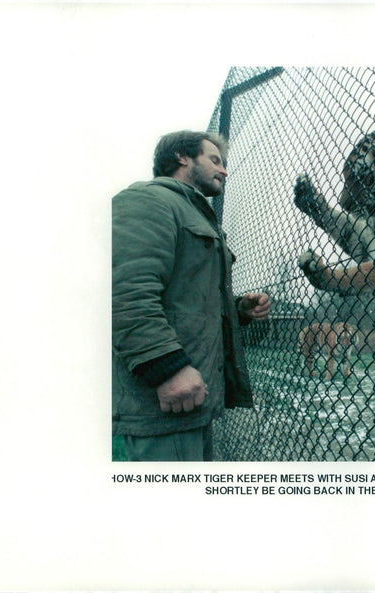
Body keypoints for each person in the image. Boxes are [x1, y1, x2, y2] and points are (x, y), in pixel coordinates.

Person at [112, 130, 270, 461]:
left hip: (195, 399)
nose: (224, 170)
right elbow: (125, 289)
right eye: (214, 160)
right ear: (183, 157)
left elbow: (185, 301)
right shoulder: (148, 200)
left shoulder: (194, 214)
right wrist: (167, 369)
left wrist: (238, 310)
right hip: (163, 402)